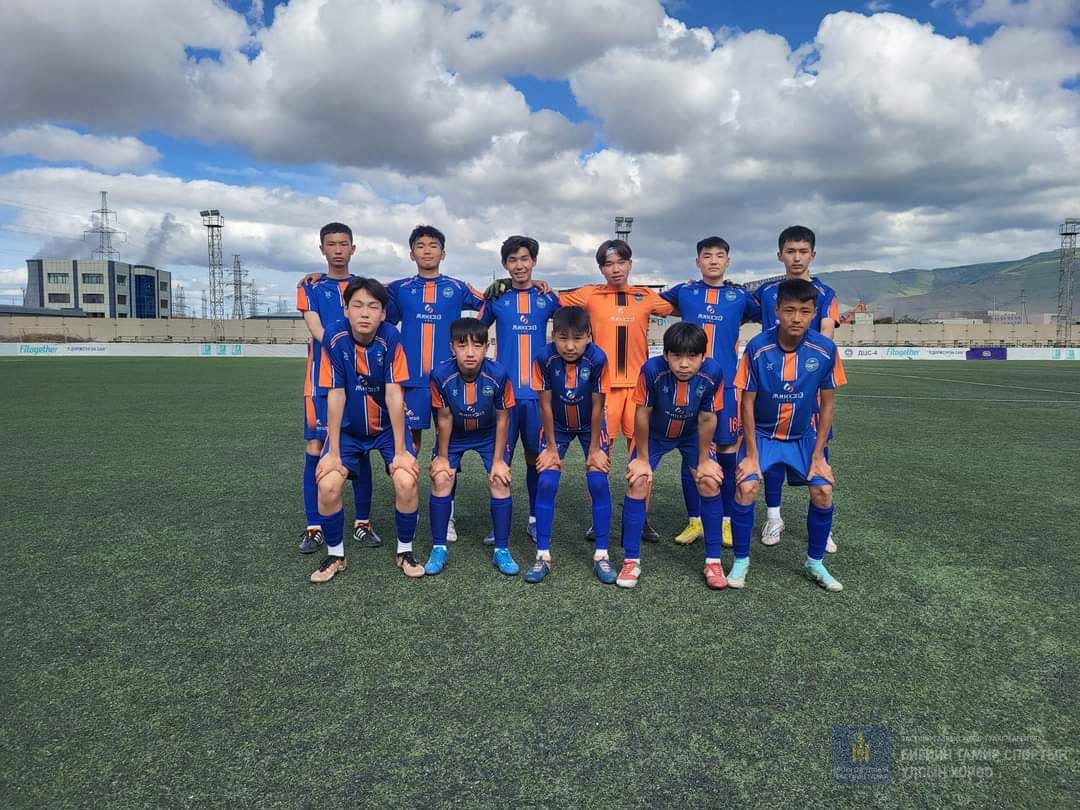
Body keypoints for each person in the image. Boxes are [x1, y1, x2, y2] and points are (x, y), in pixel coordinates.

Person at [730, 278, 847, 592]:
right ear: (777, 310)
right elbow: (747, 403)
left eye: (805, 311)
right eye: (790, 310)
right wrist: (751, 455)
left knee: (823, 491)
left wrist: (819, 455)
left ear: (814, 313)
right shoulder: (758, 348)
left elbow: (828, 403)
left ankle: (815, 563)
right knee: (747, 487)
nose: (797, 318)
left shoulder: (825, 349)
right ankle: (740, 561)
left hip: (802, 438)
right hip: (763, 436)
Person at [309, 277, 423, 583]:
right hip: (349, 430)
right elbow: (336, 394)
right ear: (346, 309)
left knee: (406, 480)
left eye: (373, 306)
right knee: (328, 484)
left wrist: (401, 451)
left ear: (383, 313)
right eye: (357, 305)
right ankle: (335, 555)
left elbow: (394, 394)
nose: (364, 313)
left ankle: (405, 551)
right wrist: (333, 452)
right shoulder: (334, 337)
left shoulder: (391, 336)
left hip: (385, 429)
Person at [560, 239, 674, 542]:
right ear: (601, 269)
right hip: (603, 390)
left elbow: (681, 304)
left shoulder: (646, 296)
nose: (615, 269)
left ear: (630, 264)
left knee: (641, 456)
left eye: (621, 262)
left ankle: (640, 517)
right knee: (599, 455)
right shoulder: (590, 294)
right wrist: (531, 284)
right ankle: (599, 518)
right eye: (608, 264)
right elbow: (550, 299)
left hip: (639, 392)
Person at [385, 226, 486, 543]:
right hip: (411, 381)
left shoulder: (457, 287)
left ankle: (447, 515)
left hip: (449, 382)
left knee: (448, 445)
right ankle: (409, 506)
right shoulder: (399, 289)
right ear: (411, 253)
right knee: (409, 445)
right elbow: (371, 305)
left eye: (433, 246)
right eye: (420, 245)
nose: (427, 251)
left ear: (443, 253)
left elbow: (491, 301)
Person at [661, 236, 759, 550]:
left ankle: (726, 521)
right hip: (688, 387)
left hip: (726, 386)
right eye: (707, 255)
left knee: (728, 451)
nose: (713, 261)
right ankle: (695, 521)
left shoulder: (739, 296)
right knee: (691, 451)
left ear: (728, 261)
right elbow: (654, 303)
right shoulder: (684, 291)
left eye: (719, 255)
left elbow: (766, 314)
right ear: (697, 261)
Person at [616, 322, 727, 590]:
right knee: (638, 481)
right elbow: (642, 414)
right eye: (677, 356)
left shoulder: (713, 373)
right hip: (655, 434)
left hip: (691, 436)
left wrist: (704, 461)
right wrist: (642, 459)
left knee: (709, 482)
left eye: (692, 356)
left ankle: (713, 561)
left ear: (703, 356)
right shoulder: (651, 370)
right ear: (665, 355)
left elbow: (708, 418)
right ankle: (631, 560)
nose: (684, 364)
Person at [752, 226, 841, 552]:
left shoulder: (826, 293)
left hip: (808, 383)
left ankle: (822, 527)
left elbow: (828, 330)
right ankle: (773, 517)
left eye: (803, 251)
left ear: (813, 255)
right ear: (780, 255)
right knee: (773, 452)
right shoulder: (765, 292)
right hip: (771, 381)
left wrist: (814, 373)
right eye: (791, 251)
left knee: (818, 448)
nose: (797, 258)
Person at [295, 223, 381, 554]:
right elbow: (315, 326)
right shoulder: (310, 286)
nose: (338, 250)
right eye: (331, 244)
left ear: (353, 248)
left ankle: (362, 522)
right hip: (319, 380)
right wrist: (340, 346)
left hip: (360, 383)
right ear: (322, 249)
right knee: (316, 447)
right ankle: (314, 526)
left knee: (360, 446)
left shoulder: (363, 287)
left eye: (344, 244)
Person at [478, 236, 560, 543]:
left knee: (536, 458)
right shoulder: (497, 298)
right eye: (513, 260)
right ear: (505, 264)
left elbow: (573, 322)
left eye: (525, 259)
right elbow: (475, 333)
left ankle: (536, 519)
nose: (519, 265)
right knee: (500, 458)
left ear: (534, 261)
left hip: (538, 395)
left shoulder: (547, 297)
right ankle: (499, 524)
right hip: (504, 396)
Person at [424, 318, 518, 576]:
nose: (469, 352)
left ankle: (502, 549)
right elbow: (444, 417)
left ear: (486, 347)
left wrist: (498, 460)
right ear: (451, 347)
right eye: (462, 345)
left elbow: (503, 418)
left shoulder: (498, 374)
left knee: (499, 479)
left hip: (488, 434)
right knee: (441, 477)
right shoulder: (440, 375)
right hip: (455, 434)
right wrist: (443, 457)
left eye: (477, 345)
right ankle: (439, 547)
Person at [529, 306, 616, 584]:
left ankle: (601, 555)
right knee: (546, 482)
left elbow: (598, 406)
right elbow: (544, 404)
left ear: (588, 336)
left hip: (590, 425)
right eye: (563, 338)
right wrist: (551, 447)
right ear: (553, 336)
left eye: (577, 338)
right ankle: (543, 555)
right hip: (557, 425)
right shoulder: (543, 357)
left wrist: (594, 449)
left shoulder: (598, 358)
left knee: (598, 481)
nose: (570, 346)